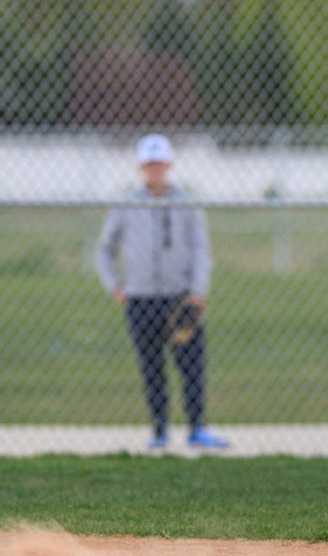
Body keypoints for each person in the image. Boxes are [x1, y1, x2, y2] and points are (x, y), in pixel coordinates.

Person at [95, 134, 229, 450]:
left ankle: (197, 428)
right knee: (151, 366)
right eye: (149, 163)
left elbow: (200, 249)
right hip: (140, 297)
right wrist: (115, 286)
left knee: (192, 365)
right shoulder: (127, 203)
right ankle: (159, 430)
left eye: (160, 163)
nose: (155, 168)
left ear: (169, 164)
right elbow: (104, 249)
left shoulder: (186, 201)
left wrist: (197, 291)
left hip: (180, 297)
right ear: (141, 166)